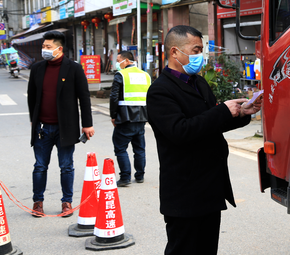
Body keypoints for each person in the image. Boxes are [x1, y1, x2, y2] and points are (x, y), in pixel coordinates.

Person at [146, 25, 262, 255]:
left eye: (201, 49)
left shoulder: (198, 83)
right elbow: (181, 131)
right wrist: (222, 111)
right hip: (185, 192)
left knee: (208, 250)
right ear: (175, 52)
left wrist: (240, 113)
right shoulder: (160, 91)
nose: (200, 55)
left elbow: (210, 124)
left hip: (209, 188)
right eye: (195, 49)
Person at [27, 30, 95, 217]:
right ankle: (37, 202)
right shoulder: (37, 69)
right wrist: (33, 121)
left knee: (66, 166)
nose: (45, 50)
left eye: (48, 47)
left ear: (59, 48)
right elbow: (32, 98)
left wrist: (87, 124)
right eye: (43, 47)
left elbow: (84, 97)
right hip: (42, 128)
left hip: (66, 127)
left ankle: (67, 202)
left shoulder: (73, 68)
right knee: (40, 166)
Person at [109, 51, 151, 187]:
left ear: (127, 61)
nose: (117, 63)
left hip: (125, 116)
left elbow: (114, 97)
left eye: (119, 60)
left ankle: (125, 177)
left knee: (120, 148)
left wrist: (113, 116)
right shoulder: (145, 75)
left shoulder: (121, 75)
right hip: (142, 116)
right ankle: (140, 175)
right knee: (139, 148)